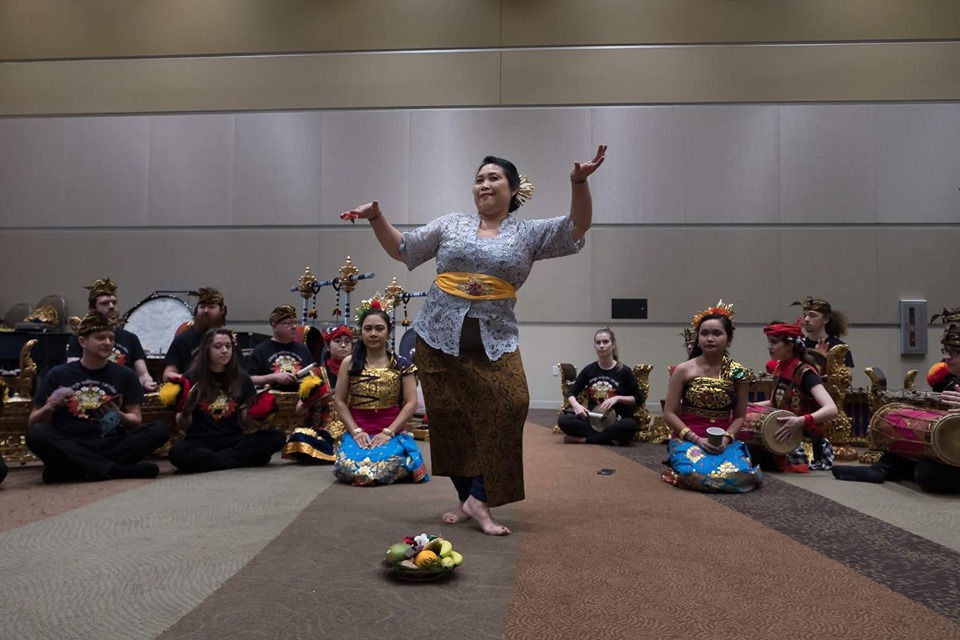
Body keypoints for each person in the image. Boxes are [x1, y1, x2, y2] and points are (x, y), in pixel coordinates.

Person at [340, 145, 606, 535]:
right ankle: (470, 498)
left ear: (514, 189)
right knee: (451, 421)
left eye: (494, 177)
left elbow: (576, 227)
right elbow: (404, 249)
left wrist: (579, 181)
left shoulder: (528, 233)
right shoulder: (451, 225)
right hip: (436, 339)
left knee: (512, 404)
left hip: (495, 341)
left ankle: (481, 496)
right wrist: (377, 216)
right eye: (479, 179)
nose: (484, 184)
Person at [26, 311, 169, 483]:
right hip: (72, 443)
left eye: (111, 338)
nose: (108, 343)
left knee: (159, 430)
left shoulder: (126, 375)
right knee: (37, 433)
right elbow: (33, 422)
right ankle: (114, 470)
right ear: (83, 342)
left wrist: (119, 415)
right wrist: (49, 407)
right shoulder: (57, 374)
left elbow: (135, 420)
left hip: (111, 443)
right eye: (100, 338)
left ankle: (78, 470)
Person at [833, 324, 960, 493]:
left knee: (927, 473)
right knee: (902, 452)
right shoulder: (951, 381)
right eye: (945, 351)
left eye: (954, 352)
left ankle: (896, 470)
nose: (947, 358)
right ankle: (884, 469)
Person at [660, 301, 762, 493]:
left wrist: (726, 438)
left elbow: (740, 416)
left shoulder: (738, 372)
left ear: (728, 338)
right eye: (704, 333)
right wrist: (697, 440)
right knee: (696, 474)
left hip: (723, 440)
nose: (710, 339)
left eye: (717, 333)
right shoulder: (683, 370)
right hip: (689, 437)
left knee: (740, 476)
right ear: (697, 338)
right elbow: (669, 413)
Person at [168, 328, 285, 473]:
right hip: (201, 440)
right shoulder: (190, 377)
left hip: (233, 439)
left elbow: (246, 423)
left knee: (277, 437)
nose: (224, 351)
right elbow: (183, 426)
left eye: (228, 346)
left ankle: (215, 461)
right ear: (206, 350)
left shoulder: (242, 378)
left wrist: (257, 412)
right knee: (177, 453)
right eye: (218, 347)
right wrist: (186, 412)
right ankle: (239, 461)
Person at [332, 304, 426, 485]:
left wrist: (389, 432)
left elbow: (411, 403)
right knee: (349, 467)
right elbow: (340, 401)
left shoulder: (402, 364)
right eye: (368, 329)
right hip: (359, 430)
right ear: (361, 333)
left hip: (391, 430)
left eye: (379, 328)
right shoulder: (349, 363)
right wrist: (356, 431)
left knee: (381, 466)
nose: (373, 334)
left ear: (388, 332)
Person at [753, 322, 839, 472]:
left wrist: (800, 421)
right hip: (785, 438)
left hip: (807, 446)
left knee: (755, 459)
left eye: (774, 342)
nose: (769, 347)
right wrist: (748, 406)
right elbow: (774, 402)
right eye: (769, 342)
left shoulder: (806, 373)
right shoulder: (781, 368)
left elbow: (831, 409)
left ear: (790, 345)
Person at [66, 277, 157, 391]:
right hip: (91, 390)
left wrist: (147, 383)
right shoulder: (81, 337)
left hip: (124, 392)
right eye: (104, 303)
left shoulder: (130, 338)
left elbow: (143, 374)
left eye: (114, 302)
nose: (111, 306)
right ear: (91, 310)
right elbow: (72, 372)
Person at [281, 324, 353, 463]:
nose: (343, 345)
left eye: (347, 342)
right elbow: (299, 411)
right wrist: (310, 400)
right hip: (323, 431)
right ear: (328, 346)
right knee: (300, 436)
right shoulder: (316, 374)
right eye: (337, 341)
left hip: (352, 430)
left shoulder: (359, 373)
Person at [557, 327, 643, 446]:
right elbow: (572, 393)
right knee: (563, 420)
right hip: (593, 420)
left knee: (629, 426)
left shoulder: (624, 371)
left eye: (605, 342)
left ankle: (584, 440)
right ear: (595, 347)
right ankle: (610, 439)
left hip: (616, 420)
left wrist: (617, 398)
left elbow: (638, 398)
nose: (601, 345)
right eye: (598, 343)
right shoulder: (589, 370)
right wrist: (576, 406)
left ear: (613, 345)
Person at [163, 287, 229, 382]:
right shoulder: (183, 339)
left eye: (211, 307)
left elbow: (241, 374)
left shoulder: (228, 341)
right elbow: (167, 375)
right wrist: (188, 381)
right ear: (196, 310)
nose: (206, 310)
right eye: (202, 306)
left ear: (222, 310)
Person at [247, 305, 313, 392]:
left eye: (295, 323)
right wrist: (274, 377)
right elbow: (249, 379)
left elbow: (312, 375)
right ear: (274, 326)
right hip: (270, 400)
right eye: (288, 323)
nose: (294, 327)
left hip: (300, 400)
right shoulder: (260, 350)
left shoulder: (303, 349)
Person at [793, 296, 854, 368]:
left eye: (812, 315)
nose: (806, 319)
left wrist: (823, 361)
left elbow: (847, 378)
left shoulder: (839, 348)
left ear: (826, 319)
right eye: (804, 315)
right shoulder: (798, 346)